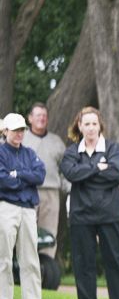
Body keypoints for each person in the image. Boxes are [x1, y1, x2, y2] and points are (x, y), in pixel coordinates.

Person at [60, 106, 119, 299]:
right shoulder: (72, 151)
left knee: (115, 260)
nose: (91, 127)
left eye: (95, 123)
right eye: (87, 124)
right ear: (80, 126)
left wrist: (87, 171)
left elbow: (115, 174)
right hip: (81, 213)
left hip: (109, 212)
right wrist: (97, 167)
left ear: (100, 125)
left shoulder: (113, 148)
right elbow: (71, 173)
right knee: (83, 262)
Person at [0, 113, 51, 299]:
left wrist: (17, 174)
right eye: (15, 130)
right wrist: (22, 177)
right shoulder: (1, 152)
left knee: (30, 259)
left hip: (28, 209)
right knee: (3, 259)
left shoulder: (30, 153)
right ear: (5, 131)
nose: (20, 133)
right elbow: (3, 180)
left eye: (22, 130)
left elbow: (39, 175)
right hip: (7, 207)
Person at [22, 102, 70, 259]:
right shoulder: (21, 138)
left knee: (49, 232)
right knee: (25, 230)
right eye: (38, 115)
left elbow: (65, 169)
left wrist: (67, 188)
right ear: (30, 118)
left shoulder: (56, 141)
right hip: (26, 192)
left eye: (44, 116)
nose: (41, 119)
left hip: (51, 193)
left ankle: (46, 268)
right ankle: (24, 266)